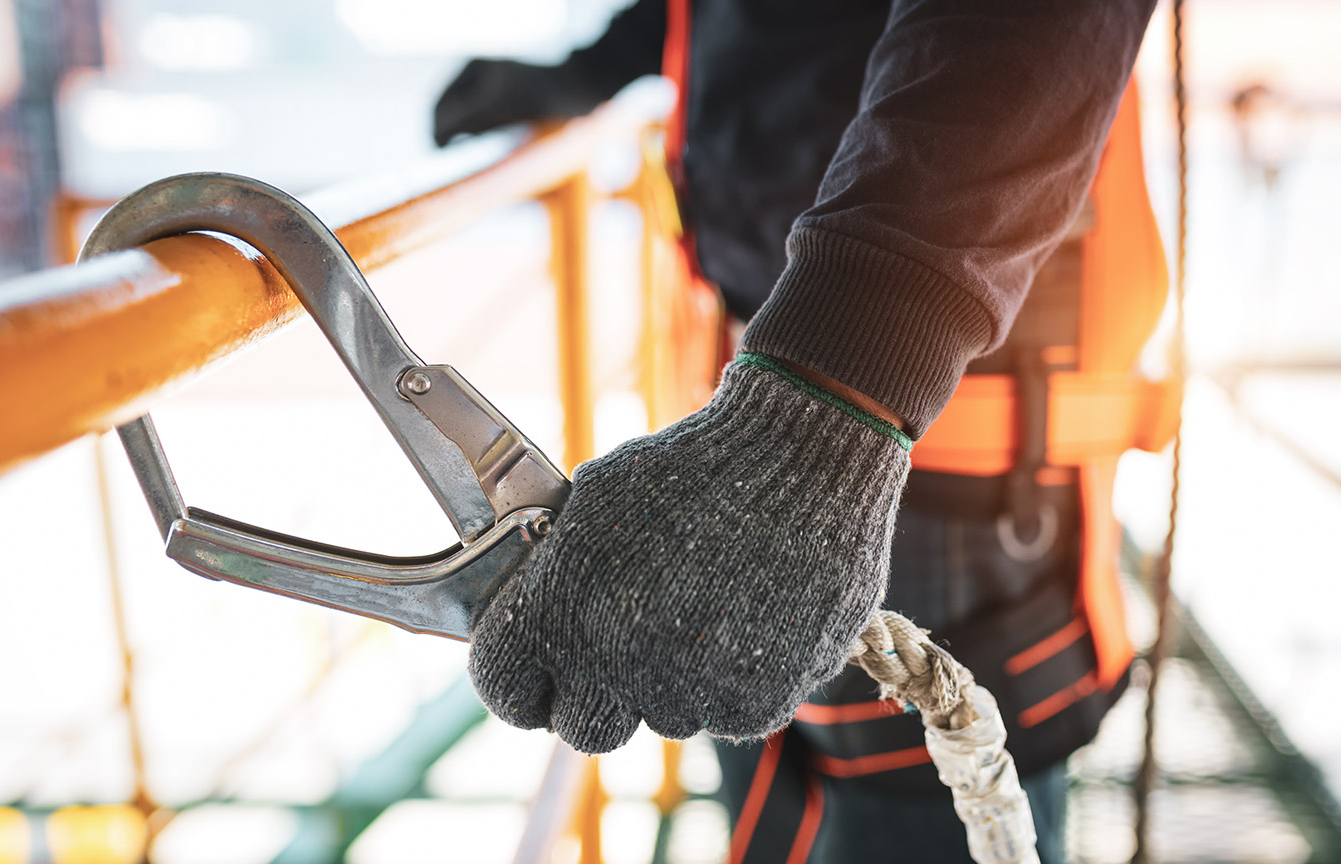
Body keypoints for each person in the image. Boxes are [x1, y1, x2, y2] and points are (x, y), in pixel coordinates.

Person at [434, 1, 1158, 861]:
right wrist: (596, 67)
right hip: (765, 415)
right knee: (766, 780)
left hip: (906, 438)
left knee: (914, 815)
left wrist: (832, 404)